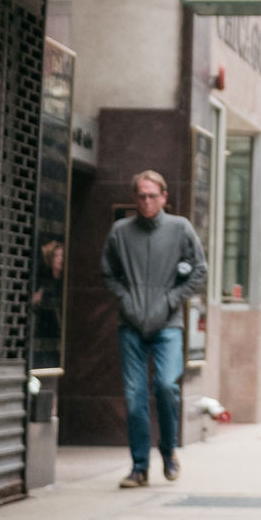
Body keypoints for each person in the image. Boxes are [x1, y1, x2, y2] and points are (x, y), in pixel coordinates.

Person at [100, 170, 203, 488]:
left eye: (152, 195)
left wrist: (173, 299)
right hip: (130, 325)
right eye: (141, 196)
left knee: (166, 387)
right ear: (135, 198)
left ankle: (169, 450)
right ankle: (139, 467)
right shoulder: (120, 231)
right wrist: (124, 298)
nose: (146, 201)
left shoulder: (180, 228)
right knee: (134, 397)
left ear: (164, 197)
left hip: (168, 325)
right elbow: (108, 272)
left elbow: (199, 270)